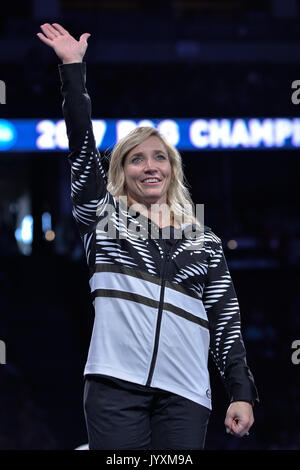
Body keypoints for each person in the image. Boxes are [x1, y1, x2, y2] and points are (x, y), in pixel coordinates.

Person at [37, 23, 259, 450]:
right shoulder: (102, 220)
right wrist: (72, 71)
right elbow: (82, 148)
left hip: (186, 392)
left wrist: (242, 392)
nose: (150, 166)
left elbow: (225, 321)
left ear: (173, 169)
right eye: (136, 159)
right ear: (120, 171)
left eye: (160, 157)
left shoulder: (204, 240)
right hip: (114, 386)